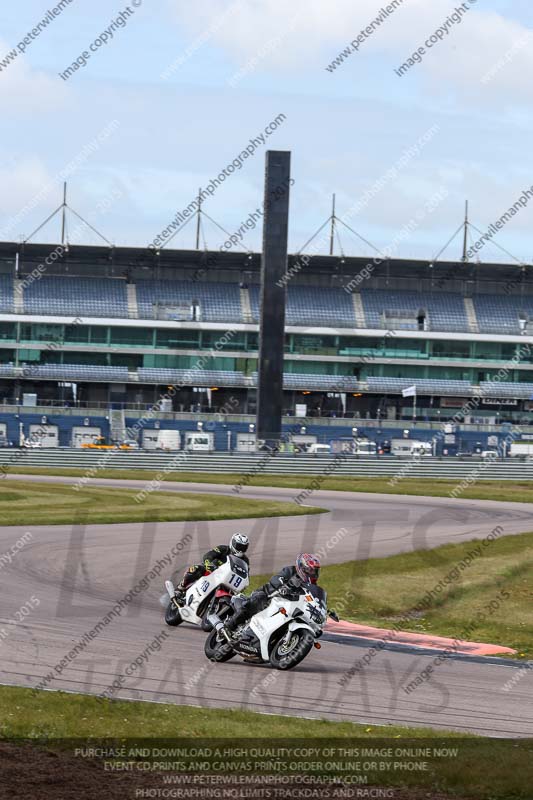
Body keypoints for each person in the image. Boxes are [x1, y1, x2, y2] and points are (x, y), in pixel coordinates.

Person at [221, 553, 321, 641]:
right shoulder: (290, 571)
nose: (313, 573)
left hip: (286, 606)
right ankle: (230, 625)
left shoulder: (312, 586)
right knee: (258, 600)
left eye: (315, 571)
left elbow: (312, 598)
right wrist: (283, 586)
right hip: (269, 595)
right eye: (311, 570)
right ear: (302, 567)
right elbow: (276, 579)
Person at [174, 533, 250, 605]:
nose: (241, 550)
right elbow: (208, 555)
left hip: (226, 581)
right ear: (232, 543)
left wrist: (243, 585)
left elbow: (245, 575)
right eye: (239, 546)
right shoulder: (223, 549)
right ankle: (181, 587)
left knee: (233, 598)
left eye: (243, 547)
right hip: (212, 572)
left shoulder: (245, 561)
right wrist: (209, 565)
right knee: (196, 569)